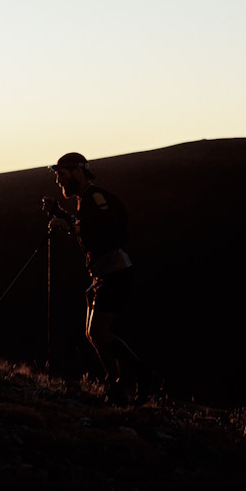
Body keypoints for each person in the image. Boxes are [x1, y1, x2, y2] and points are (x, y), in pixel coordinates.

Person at [42, 152, 152, 404]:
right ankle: (118, 385)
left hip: (114, 272)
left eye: (62, 175)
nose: (59, 182)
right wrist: (63, 216)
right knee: (93, 334)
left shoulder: (96, 198)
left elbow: (101, 228)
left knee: (99, 333)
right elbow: (88, 225)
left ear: (79, 172)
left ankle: (142, 377)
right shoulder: (86, 200)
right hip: (105, 272)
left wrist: (67, 225)